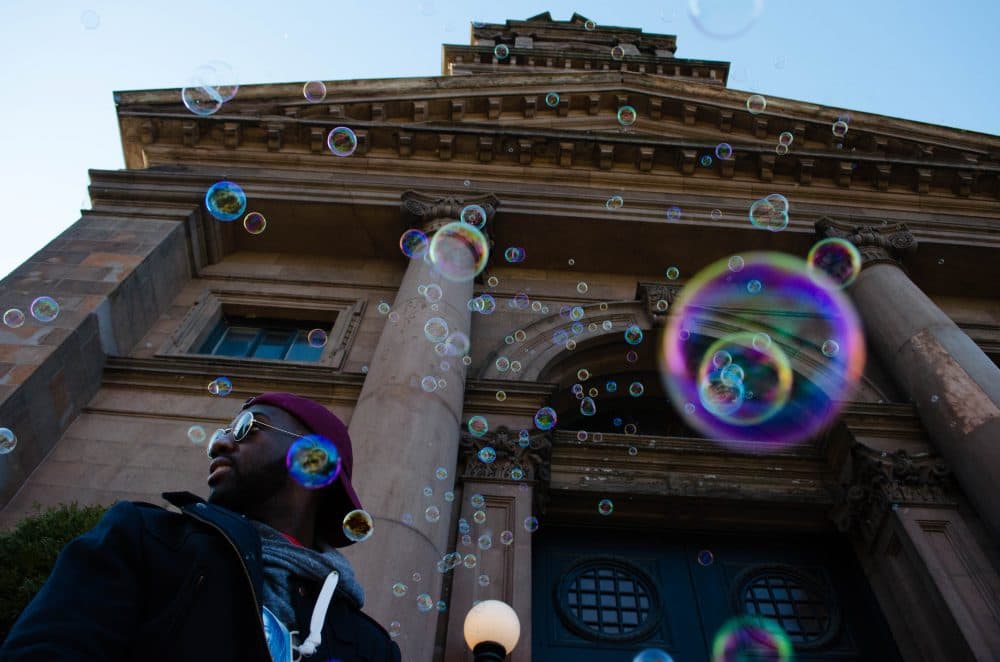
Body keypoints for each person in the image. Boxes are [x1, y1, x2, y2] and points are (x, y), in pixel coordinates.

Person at [1, 392, 401, 662]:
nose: (219, 444)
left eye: (247, 427)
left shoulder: (371, 645)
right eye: (222, 432)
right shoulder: (145, 537)